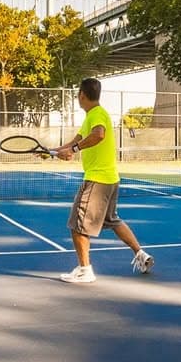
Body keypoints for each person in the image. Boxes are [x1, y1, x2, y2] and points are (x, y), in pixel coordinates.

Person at [52, 77, 153, 283]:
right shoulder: (94, 115)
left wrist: (73, 150)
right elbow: (76, 141)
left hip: (97, 180)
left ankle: (85, 270)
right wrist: (52, 152)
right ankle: (140, 254)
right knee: (112, 220)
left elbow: (98, 135)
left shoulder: (97, 115)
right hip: (110, 180)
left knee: (77, 224)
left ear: (82, 95)